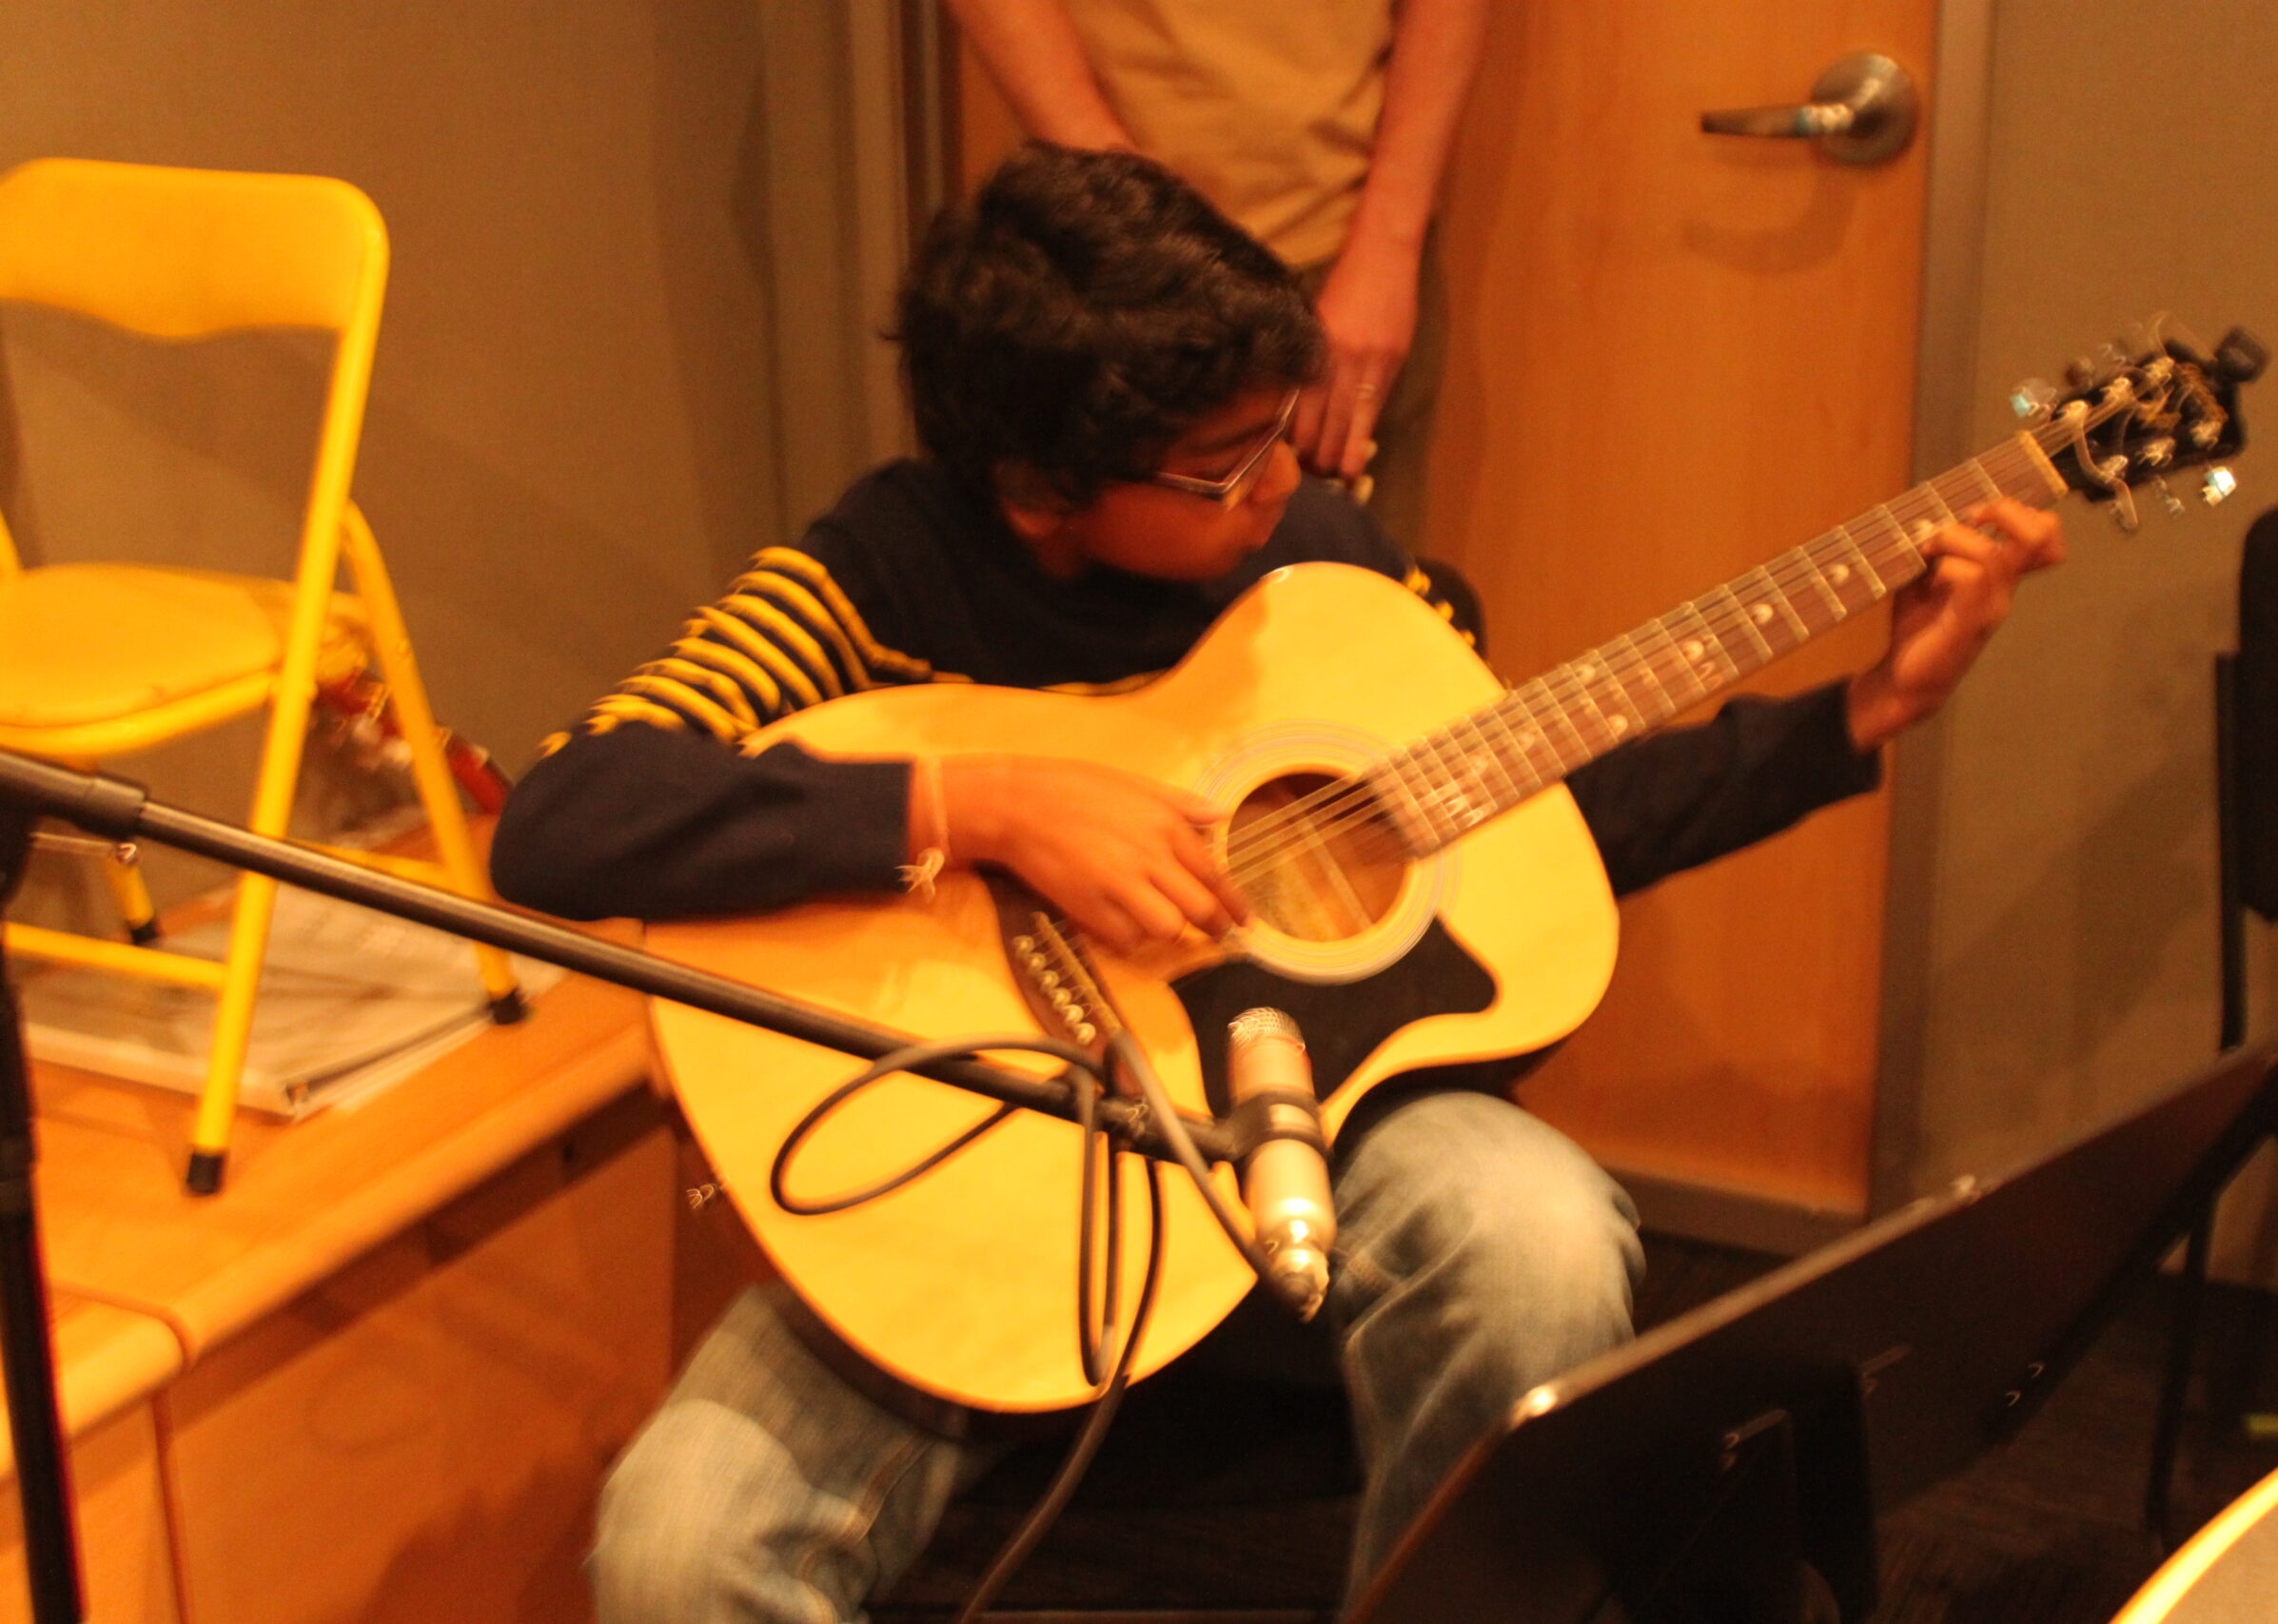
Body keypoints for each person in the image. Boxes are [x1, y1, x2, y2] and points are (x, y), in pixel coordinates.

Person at [490, 144, 2062, 1622]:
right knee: (680, 1541)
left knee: (1540, 1238)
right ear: (1038, 489)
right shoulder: (881, 572)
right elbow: (566, 811)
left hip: (1323, 1134)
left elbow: (1535, 816)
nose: (1274, 493)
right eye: (1220, 467)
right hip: (981, 1159)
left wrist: (1865, 712)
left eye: (1276, 441)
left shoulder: (1323, 569)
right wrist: (978, 802)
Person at [948, 0, 1489, 552]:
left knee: (1355, 620)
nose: (1277, 480)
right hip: (1103, 272)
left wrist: (1389, 246)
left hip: (1342, 256)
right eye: (1231, 466)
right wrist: (1120, 209)